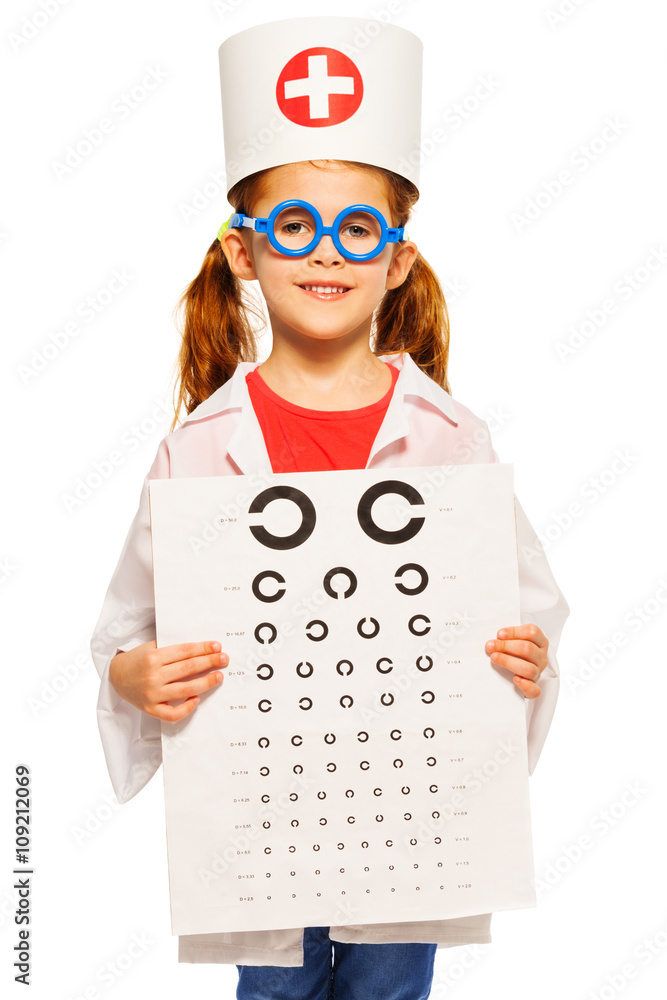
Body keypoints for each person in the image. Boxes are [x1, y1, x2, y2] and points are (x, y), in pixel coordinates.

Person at [90, 17, 569, 1000]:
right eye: (294, 225)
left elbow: (528, 616)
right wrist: (140, 677)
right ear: (243, 252)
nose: (326, 253)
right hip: (262, 822)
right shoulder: (197, 451)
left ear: (395, 259)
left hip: (407, 821)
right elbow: (125, 633)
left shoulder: (452, 439)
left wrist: (523, 659)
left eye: (356, 228)